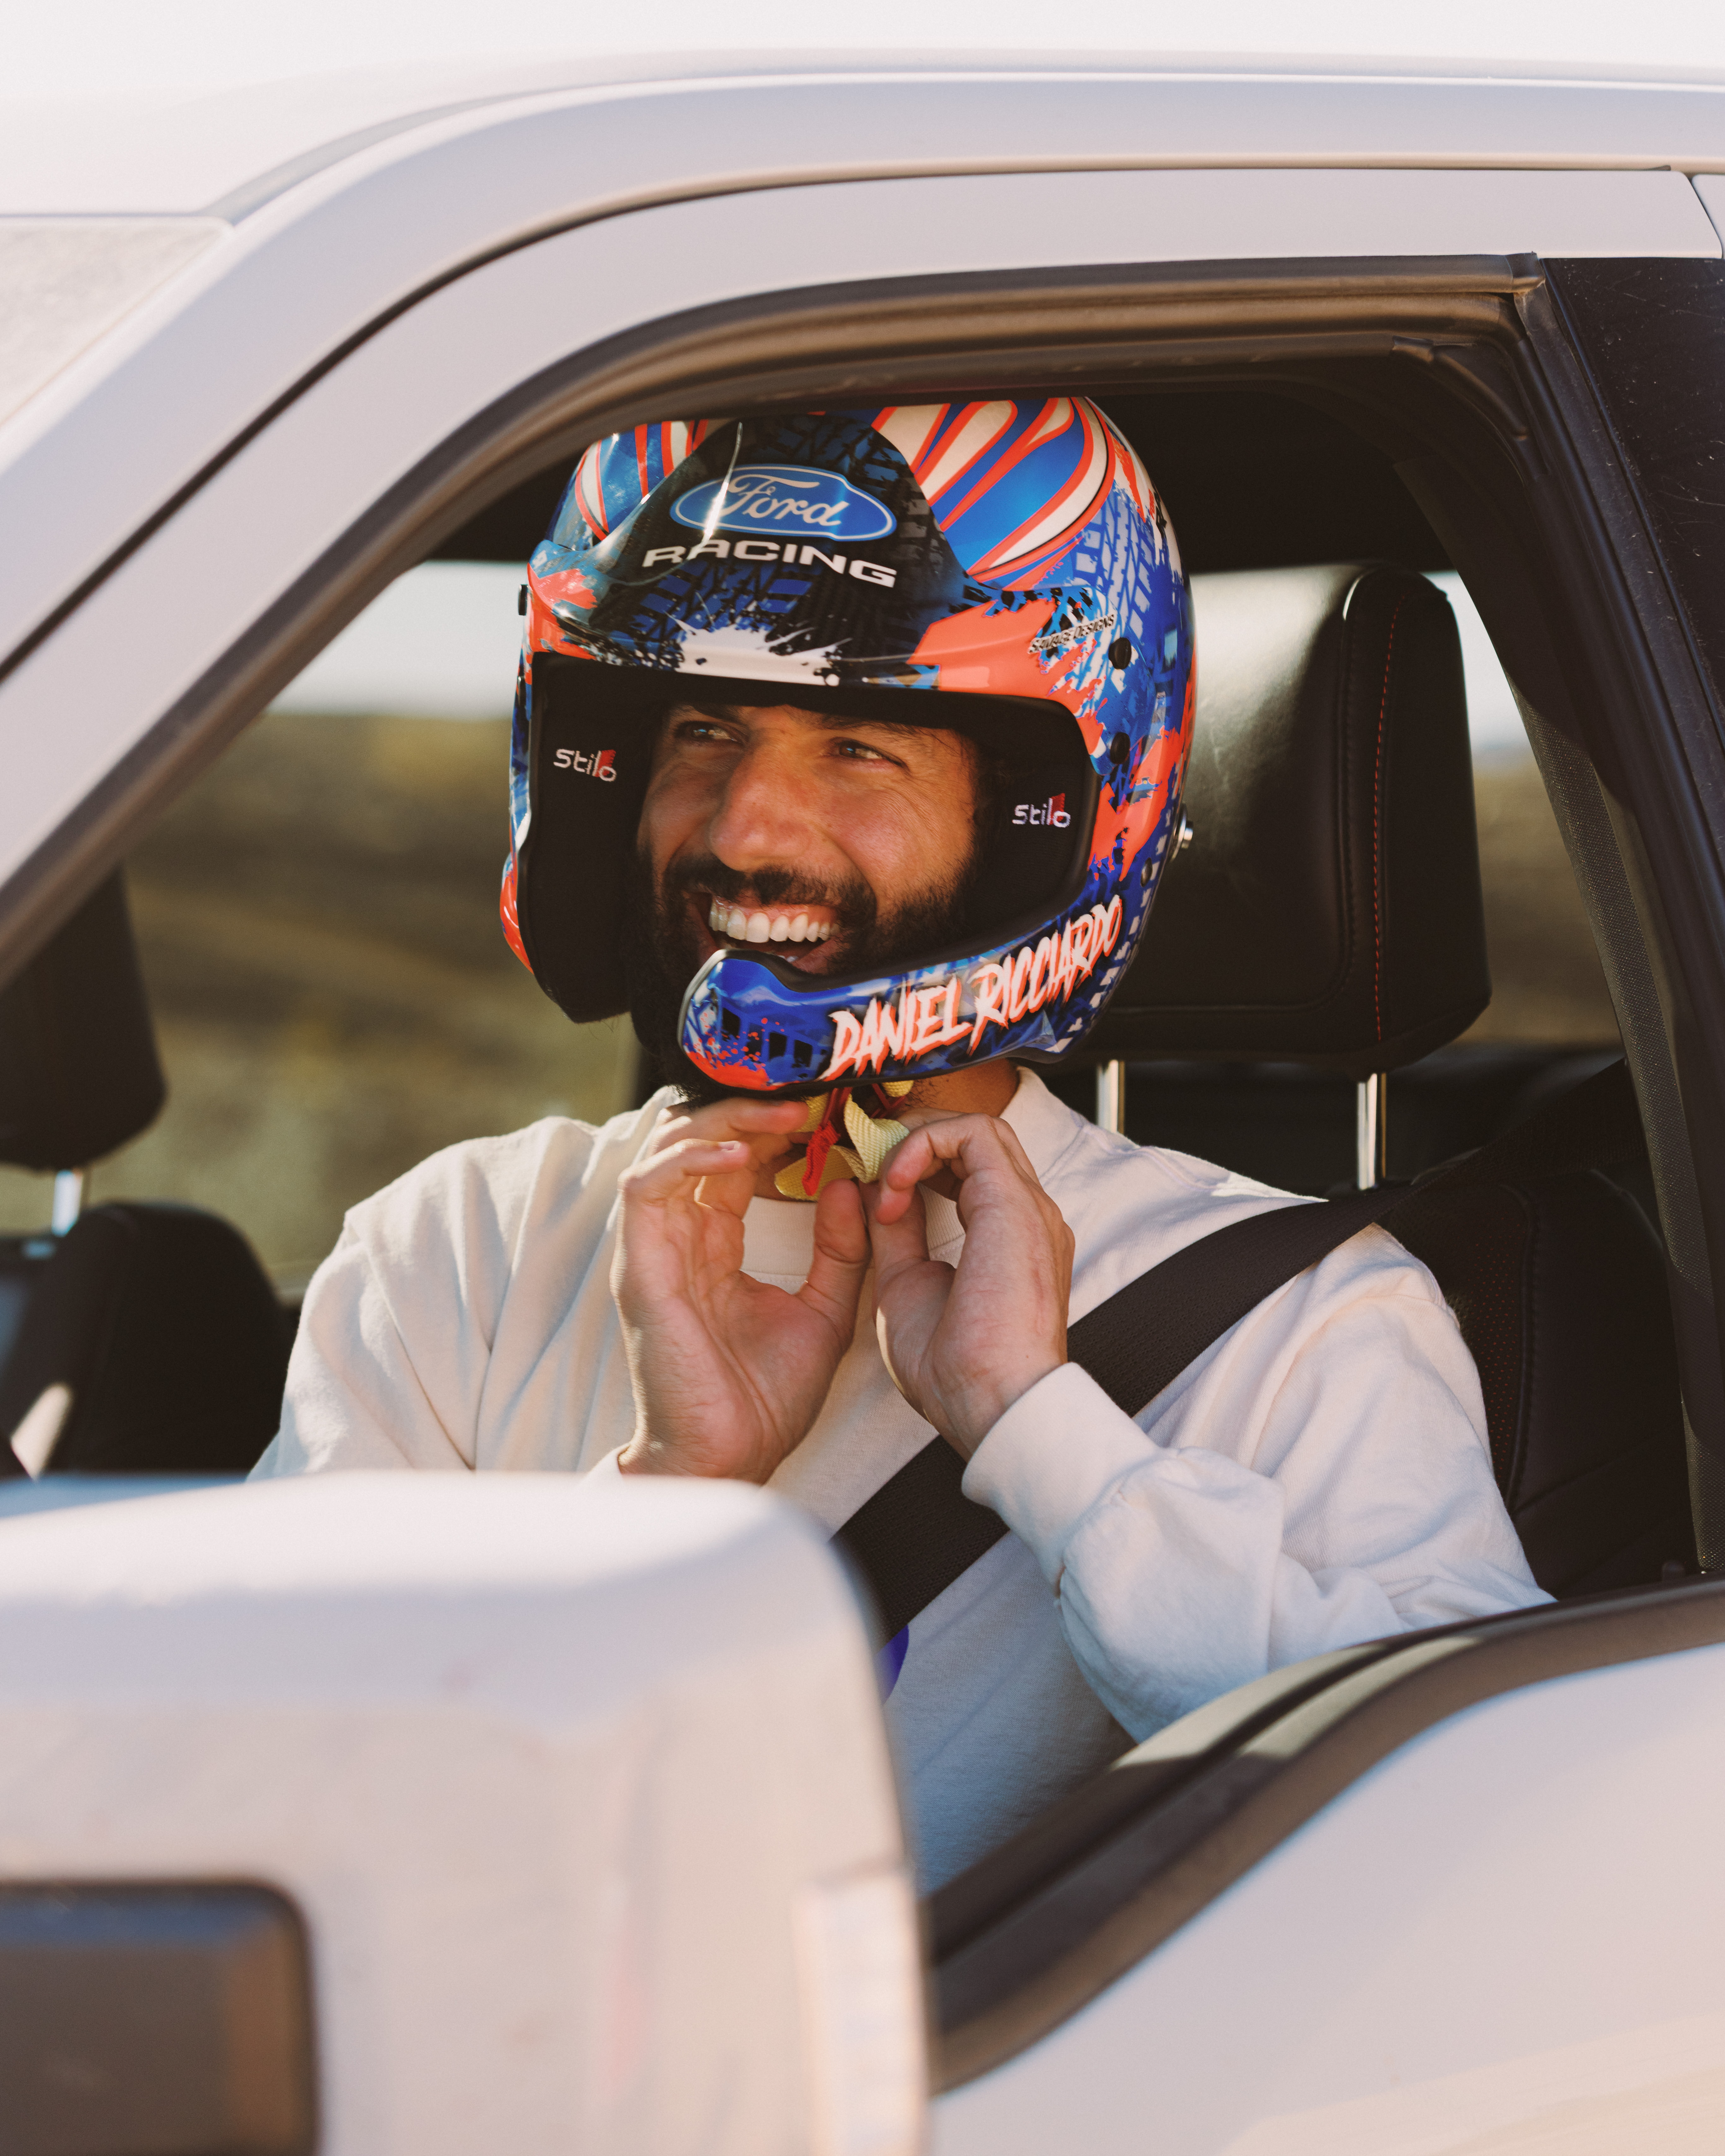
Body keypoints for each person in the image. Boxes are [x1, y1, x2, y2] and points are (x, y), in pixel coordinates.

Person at [254, 400, 1545, 1890]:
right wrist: (673, 1488)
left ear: (1025, 818)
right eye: (700, 731)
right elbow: (287, 1812)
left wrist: (1037, 1425)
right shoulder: (459, 1250)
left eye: (859, 745)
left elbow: (1468, 1857)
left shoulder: (1303, 1322)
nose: (745, 826)